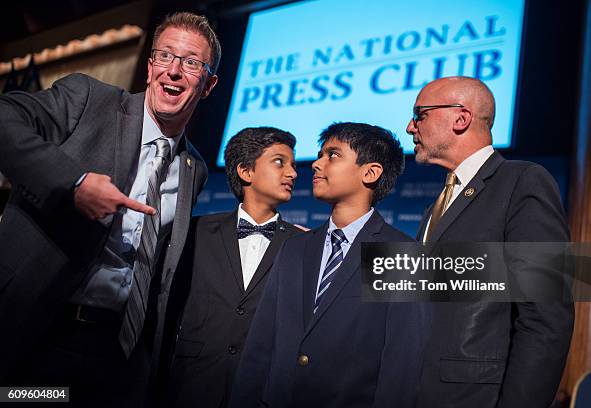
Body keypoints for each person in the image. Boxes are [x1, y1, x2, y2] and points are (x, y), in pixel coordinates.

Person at [0, 11, 220, 407]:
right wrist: (74, 184)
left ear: (208, 85)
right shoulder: (89, 99)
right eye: (166, 56)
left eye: (191, 63)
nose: (174, 71)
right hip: (38, 335)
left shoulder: (195, 168)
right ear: (150, 65)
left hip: (116, 360)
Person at [229, 122, 431, 408]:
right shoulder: (295, 248)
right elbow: (261, 345)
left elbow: (402, 367)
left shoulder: (402, 255)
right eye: (320, 154)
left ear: (370, 172)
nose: (316, 164)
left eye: (332, 155)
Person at [406, 76, 574, 407]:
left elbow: (545, 315)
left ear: (460, 118)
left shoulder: (522, 182)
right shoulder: (434, 208)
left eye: (420, 113)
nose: (410, 126)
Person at [162, 127, 303, 408]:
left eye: (293, 165)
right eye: (279, 162)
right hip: (189, 388)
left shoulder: (303, 244)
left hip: (261, 392)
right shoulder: (194, 232)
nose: (293, 174)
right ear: (245, 171)